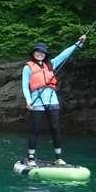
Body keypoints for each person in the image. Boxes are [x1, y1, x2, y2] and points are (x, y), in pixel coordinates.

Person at [22, 35, 86, 167]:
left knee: (55, 128)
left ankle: (58, 157)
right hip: (37, 102)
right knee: (35, 129)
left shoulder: (51, 64)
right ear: (34, 53)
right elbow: (24, 86)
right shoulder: (27, 68)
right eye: (37, 52)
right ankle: (31, 157)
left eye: (42, 52)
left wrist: (78, 43)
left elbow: (64, 55)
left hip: (52, 100)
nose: (40, 54)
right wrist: (28, 100)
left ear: (45, 54)